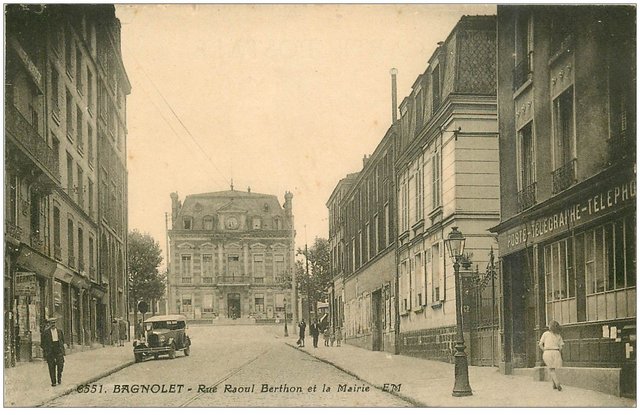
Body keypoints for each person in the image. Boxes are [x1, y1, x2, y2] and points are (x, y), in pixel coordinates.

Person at [539, 320, 565, 391]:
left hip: (547, 352)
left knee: (551, 369)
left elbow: (540, 344)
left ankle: (557, 383)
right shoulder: (558, 335)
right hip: (556, 352)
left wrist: (544, 350)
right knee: (553, 368)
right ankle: (554, 385)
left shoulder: (545, 334)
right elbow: (561, 347)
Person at [41, 317, 65, 387]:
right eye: (51, 323)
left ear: (56, 323)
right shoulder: (46, 333)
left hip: (58, 350)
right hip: (50, 351)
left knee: (60, 365)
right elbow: (42, 343)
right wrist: (46, 350)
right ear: (49, 324)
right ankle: (53, 382)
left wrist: (62, 349)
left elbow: (62, 341)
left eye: (54, 323)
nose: (53, 324)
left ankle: (59, 378)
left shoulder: (59, 331)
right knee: (51, 367)